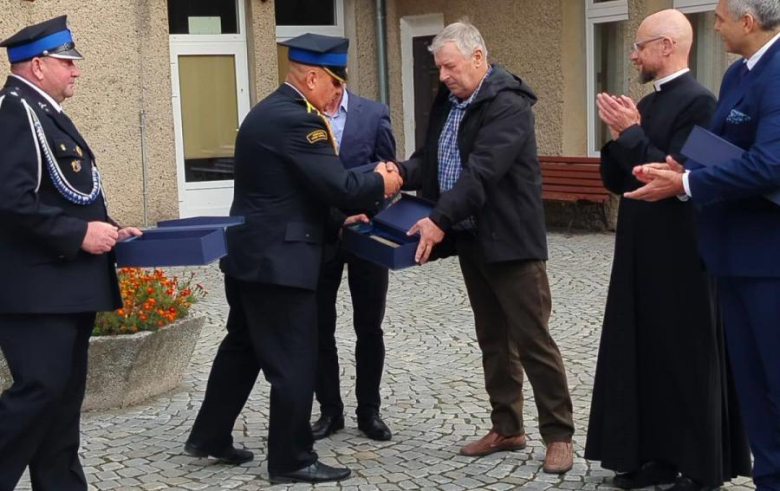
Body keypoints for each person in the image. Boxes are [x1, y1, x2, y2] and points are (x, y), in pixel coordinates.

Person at [183, 33, 402, 485]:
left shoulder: (267, 110)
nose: (339, 94)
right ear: (313, 77)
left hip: (252, 257)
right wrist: (382, 179)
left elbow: (296, 187)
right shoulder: (302, 121)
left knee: (242, 349)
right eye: (336, 85)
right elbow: (337, 185)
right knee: (294, 361)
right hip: (280, 263)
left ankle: (209, 435)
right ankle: (292, 458)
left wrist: (339, 213)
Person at [396, 21, 575, 474]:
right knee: (493, 339)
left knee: (533, 341)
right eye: (439, 68)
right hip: (473, 238)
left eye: (449, 66)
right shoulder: (451, 102)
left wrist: (437, 220)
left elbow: (482, 173)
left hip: (511, 241)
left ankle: (559, 435)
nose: (443, 76)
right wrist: (395, 174)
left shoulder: (510, 105)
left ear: (479, 58)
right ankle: (508, 427)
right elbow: (435, 161)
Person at [584, 9, 751, 491]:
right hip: (640, 248)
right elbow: (623, 178)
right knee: (645, 352)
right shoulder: (648, 103)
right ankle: (654, 455)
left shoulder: (702, 105)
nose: (632, 54)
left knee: (684, 356)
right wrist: (620, 137)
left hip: (682, 252)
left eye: (639, 46)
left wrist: (634, 134)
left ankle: (701, 466)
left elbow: (682, 178)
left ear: (666, 47)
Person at [626, 1, 780, 489]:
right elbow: (721, 150)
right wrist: (678, 168)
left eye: (718, 18)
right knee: (753, 388)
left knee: (776, 384)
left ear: (748, 22)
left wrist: (687, 184)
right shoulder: (738, 75)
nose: (712, 28)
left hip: (769, 259)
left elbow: (769, 164)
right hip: (730, 255)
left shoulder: (777, 75)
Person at [0, 16, 141, 491]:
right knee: (38, 394)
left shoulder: (43, 112)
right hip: (34, 289)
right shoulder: (14, 112)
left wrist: (109, 229)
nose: (76, 71)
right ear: (38, 66)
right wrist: (78, 234)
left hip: (64, 286)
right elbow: (10, 200)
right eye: (67, 62)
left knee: (60, 405)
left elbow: (67, 193)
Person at [312, 82, 397, 442]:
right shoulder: (304, 115)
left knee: (369, 325)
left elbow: (388, 175)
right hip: (321, 234)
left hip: (366, 233)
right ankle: (330, 410)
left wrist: (369, 213)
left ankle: (369, 411)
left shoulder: (374, 113)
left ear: (339, 80)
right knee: (319, 327)